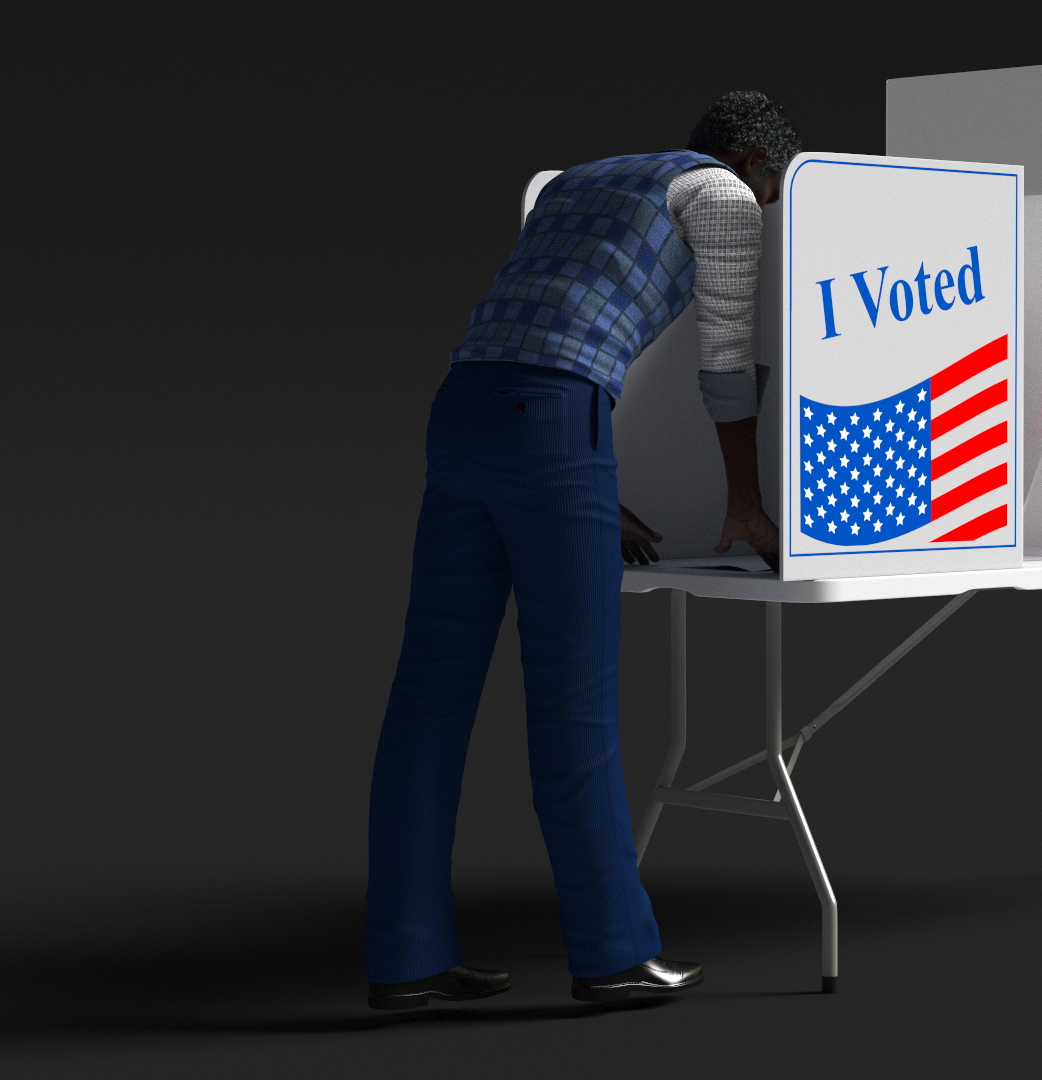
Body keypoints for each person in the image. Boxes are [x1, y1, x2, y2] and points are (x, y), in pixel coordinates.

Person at [363, 91, 797, 1010]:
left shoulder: (584, 181)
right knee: (574, 702)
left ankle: (405, 957)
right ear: (754, 161)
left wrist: (595, 481)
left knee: (427, 701)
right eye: (774, 192)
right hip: (551, 421)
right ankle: (611, 954)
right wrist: (747, 506)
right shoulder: (721, 199)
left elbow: (558, 317)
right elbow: (724, 364)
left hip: (465, 411)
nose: (765, 214)